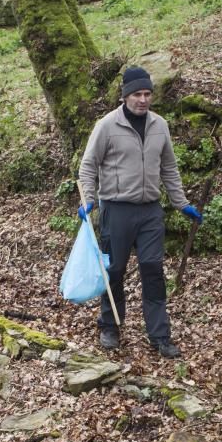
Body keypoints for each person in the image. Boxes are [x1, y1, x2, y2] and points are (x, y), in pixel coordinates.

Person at [77, 66, 203, 359]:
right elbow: (88, 165)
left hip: (150, 212)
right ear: (125, 96)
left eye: (147, 94)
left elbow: (169, 167)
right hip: (116, 210)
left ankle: (159, 335)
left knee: (153, 271)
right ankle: (110, 326)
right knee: (115, 270)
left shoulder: (160, 125)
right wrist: (88, 199)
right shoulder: (107, 126)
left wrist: (181, 202)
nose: (143, 100)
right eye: (137, 94)